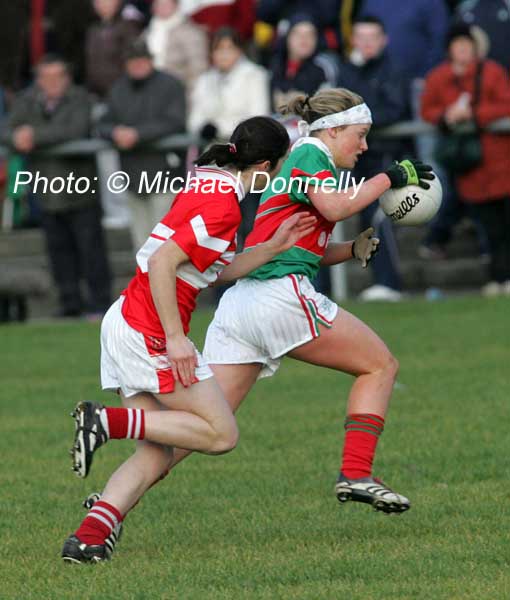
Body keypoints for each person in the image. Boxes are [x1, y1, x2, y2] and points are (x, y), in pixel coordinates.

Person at [84, 88, 436, 559]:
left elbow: (261, 254)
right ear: (331, 130)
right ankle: (355, 472)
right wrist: (389, 177)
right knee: (380, 365)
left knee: (189, 433)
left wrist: (348, 251)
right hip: (259, 303)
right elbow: (333, 210)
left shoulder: (215, 180)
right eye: (361, 134)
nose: (365, 146)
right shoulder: (310, 154)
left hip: (238, 304)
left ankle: (101, 518)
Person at [61, 115, 318, 563]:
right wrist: (177, 340)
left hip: (126, 318)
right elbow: (163, 263)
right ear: (263, 167)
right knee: (220, 434)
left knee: (157, 453)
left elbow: (209, 271)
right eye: (276, 168)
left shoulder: (210, 180)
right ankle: (106, 422)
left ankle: (88, 538)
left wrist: (272, 248)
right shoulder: (226, 206)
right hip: (152, 328)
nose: (275, 178)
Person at [2, 54, 112, 319]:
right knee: (58, 252)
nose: (52, 82)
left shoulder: (81, 98)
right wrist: (17, 136)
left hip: (80, 188)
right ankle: (70, 304)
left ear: (67, 78)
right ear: (38, 80)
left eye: (57, 76)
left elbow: (75, 130)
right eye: (46, 77)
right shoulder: (27, 100)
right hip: (46, 191)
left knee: (91, 250)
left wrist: (33, 136)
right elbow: (7, 129)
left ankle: (101, 304)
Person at [420, 24, 510, 296]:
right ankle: (498, 278)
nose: (462, 49)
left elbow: (506, 104)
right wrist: (448, 116)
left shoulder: (492, 72)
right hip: (469, 166)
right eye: (457, 44)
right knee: (491, 228)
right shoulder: (438, 77)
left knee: (505, 225)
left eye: (466, 44)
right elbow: (427, 109)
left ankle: (503, 278)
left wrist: (471, 113)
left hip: (501, 161)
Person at [337, 15, 408, 301]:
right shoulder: (348, 71)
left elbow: (394, 109)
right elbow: (340, 106)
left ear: (384, 40)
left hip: (386, 155)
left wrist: (360, 116)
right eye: (360, 37)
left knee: (379, 215)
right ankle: (382, 281)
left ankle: (389, 282)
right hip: (356, 157)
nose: (366, 44)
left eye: (372, 37)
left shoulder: (394, 70)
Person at [97, 38, 186, 250]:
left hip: (165, 174)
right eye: (132, 61)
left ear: (150, 60)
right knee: (142, 246)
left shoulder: (170, 84)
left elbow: (175, 121)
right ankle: (147, 284)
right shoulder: (119, 88)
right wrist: (115, 132)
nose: (137, 65)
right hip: (133, 176)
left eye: (142, 60)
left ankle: (173, 285)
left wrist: (138, 134)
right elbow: (103, 123)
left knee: (167, 245)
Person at [188, 27, 270, 142]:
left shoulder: (254, 75)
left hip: (245, 147)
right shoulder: (204, 79)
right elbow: (194, 119)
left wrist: (220, 129)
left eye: (229, 48)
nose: (224, 54)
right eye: (218, 49)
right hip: (211, 148)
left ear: (239, 51)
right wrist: (203, 128)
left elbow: (258, 117)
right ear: (211, 53)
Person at [144, 0, 208, 103]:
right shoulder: (149, 31)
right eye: (158, 4)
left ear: (176, 6)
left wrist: (185, 95)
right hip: (148, 91)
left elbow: (198, 69)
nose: (161, 7)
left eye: (166, 4)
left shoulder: (190, 32)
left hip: (178, 92)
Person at [85, 0, 140, 98]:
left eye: (107, 2)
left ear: (117, 3)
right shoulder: (93, 29)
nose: (103, 5)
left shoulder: (127, 27)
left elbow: (132, 59)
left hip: (120, 90)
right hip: (95, 90)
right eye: (98, 2)